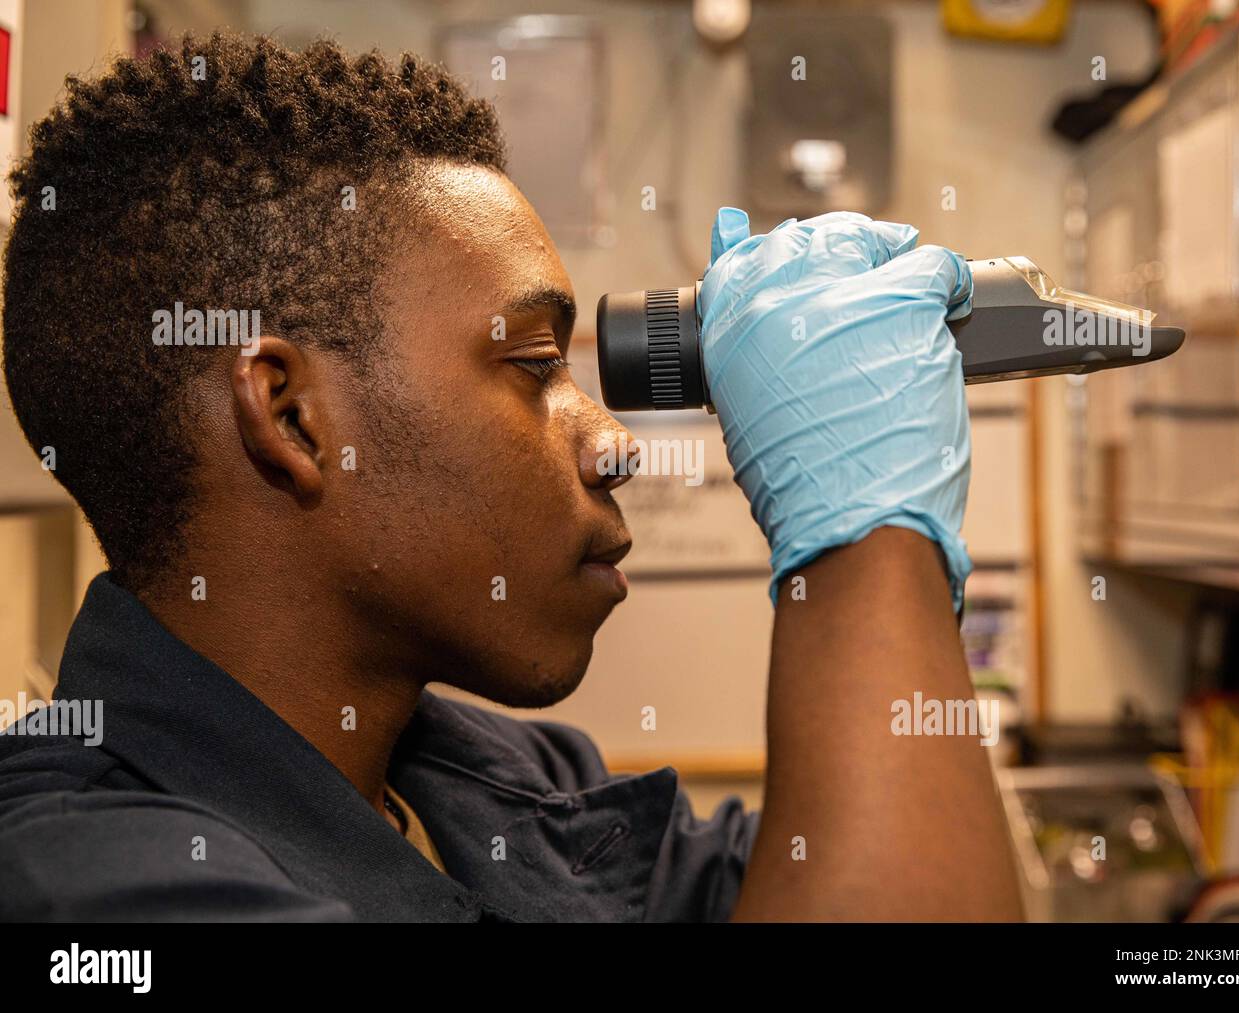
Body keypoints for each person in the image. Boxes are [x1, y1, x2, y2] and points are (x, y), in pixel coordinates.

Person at [0, 33, 1022, 922]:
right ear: (293, 417)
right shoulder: (90, 882)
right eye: (535, 367)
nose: (613, 443)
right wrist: (864, 536)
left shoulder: (506, 785)